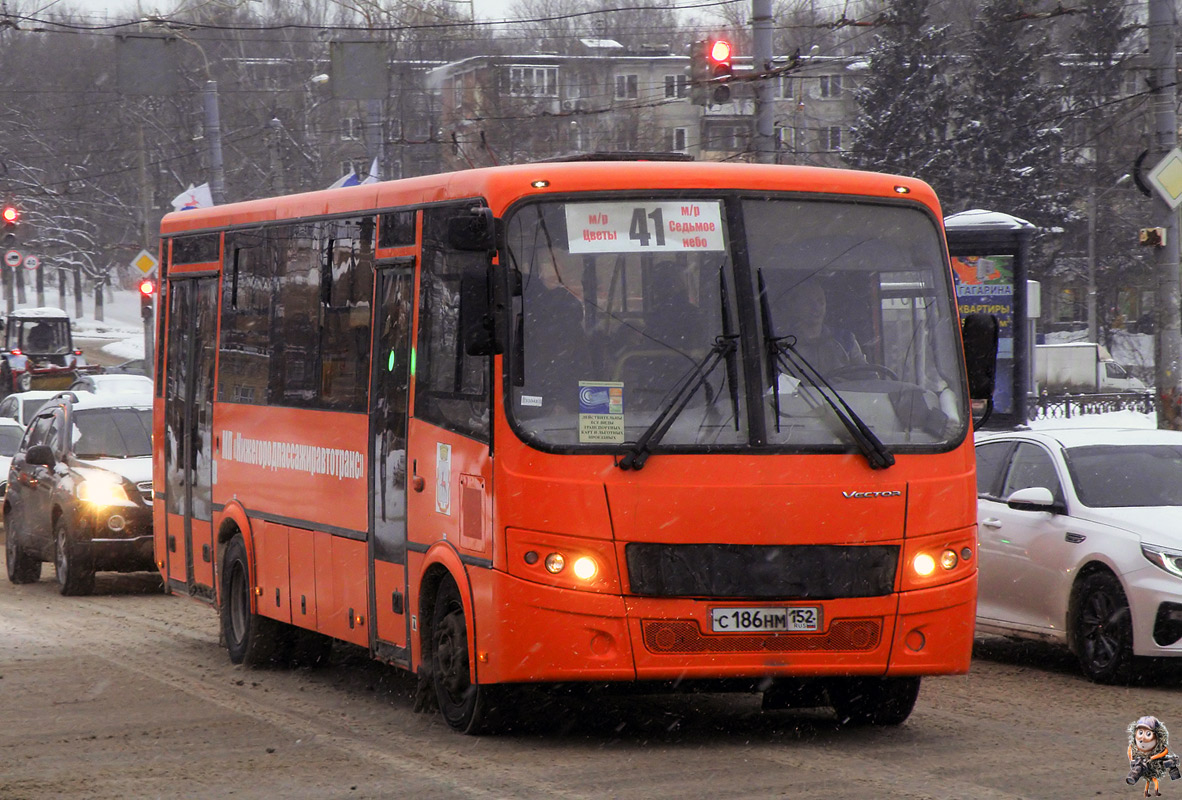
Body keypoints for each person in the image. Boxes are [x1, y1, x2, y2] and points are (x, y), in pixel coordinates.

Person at [782, 280, 865, 374]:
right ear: (795, 307)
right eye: (808, 302)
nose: (816, 308)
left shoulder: (845, 339)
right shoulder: (784, 345)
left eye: (820, 301)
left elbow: (865, 376)